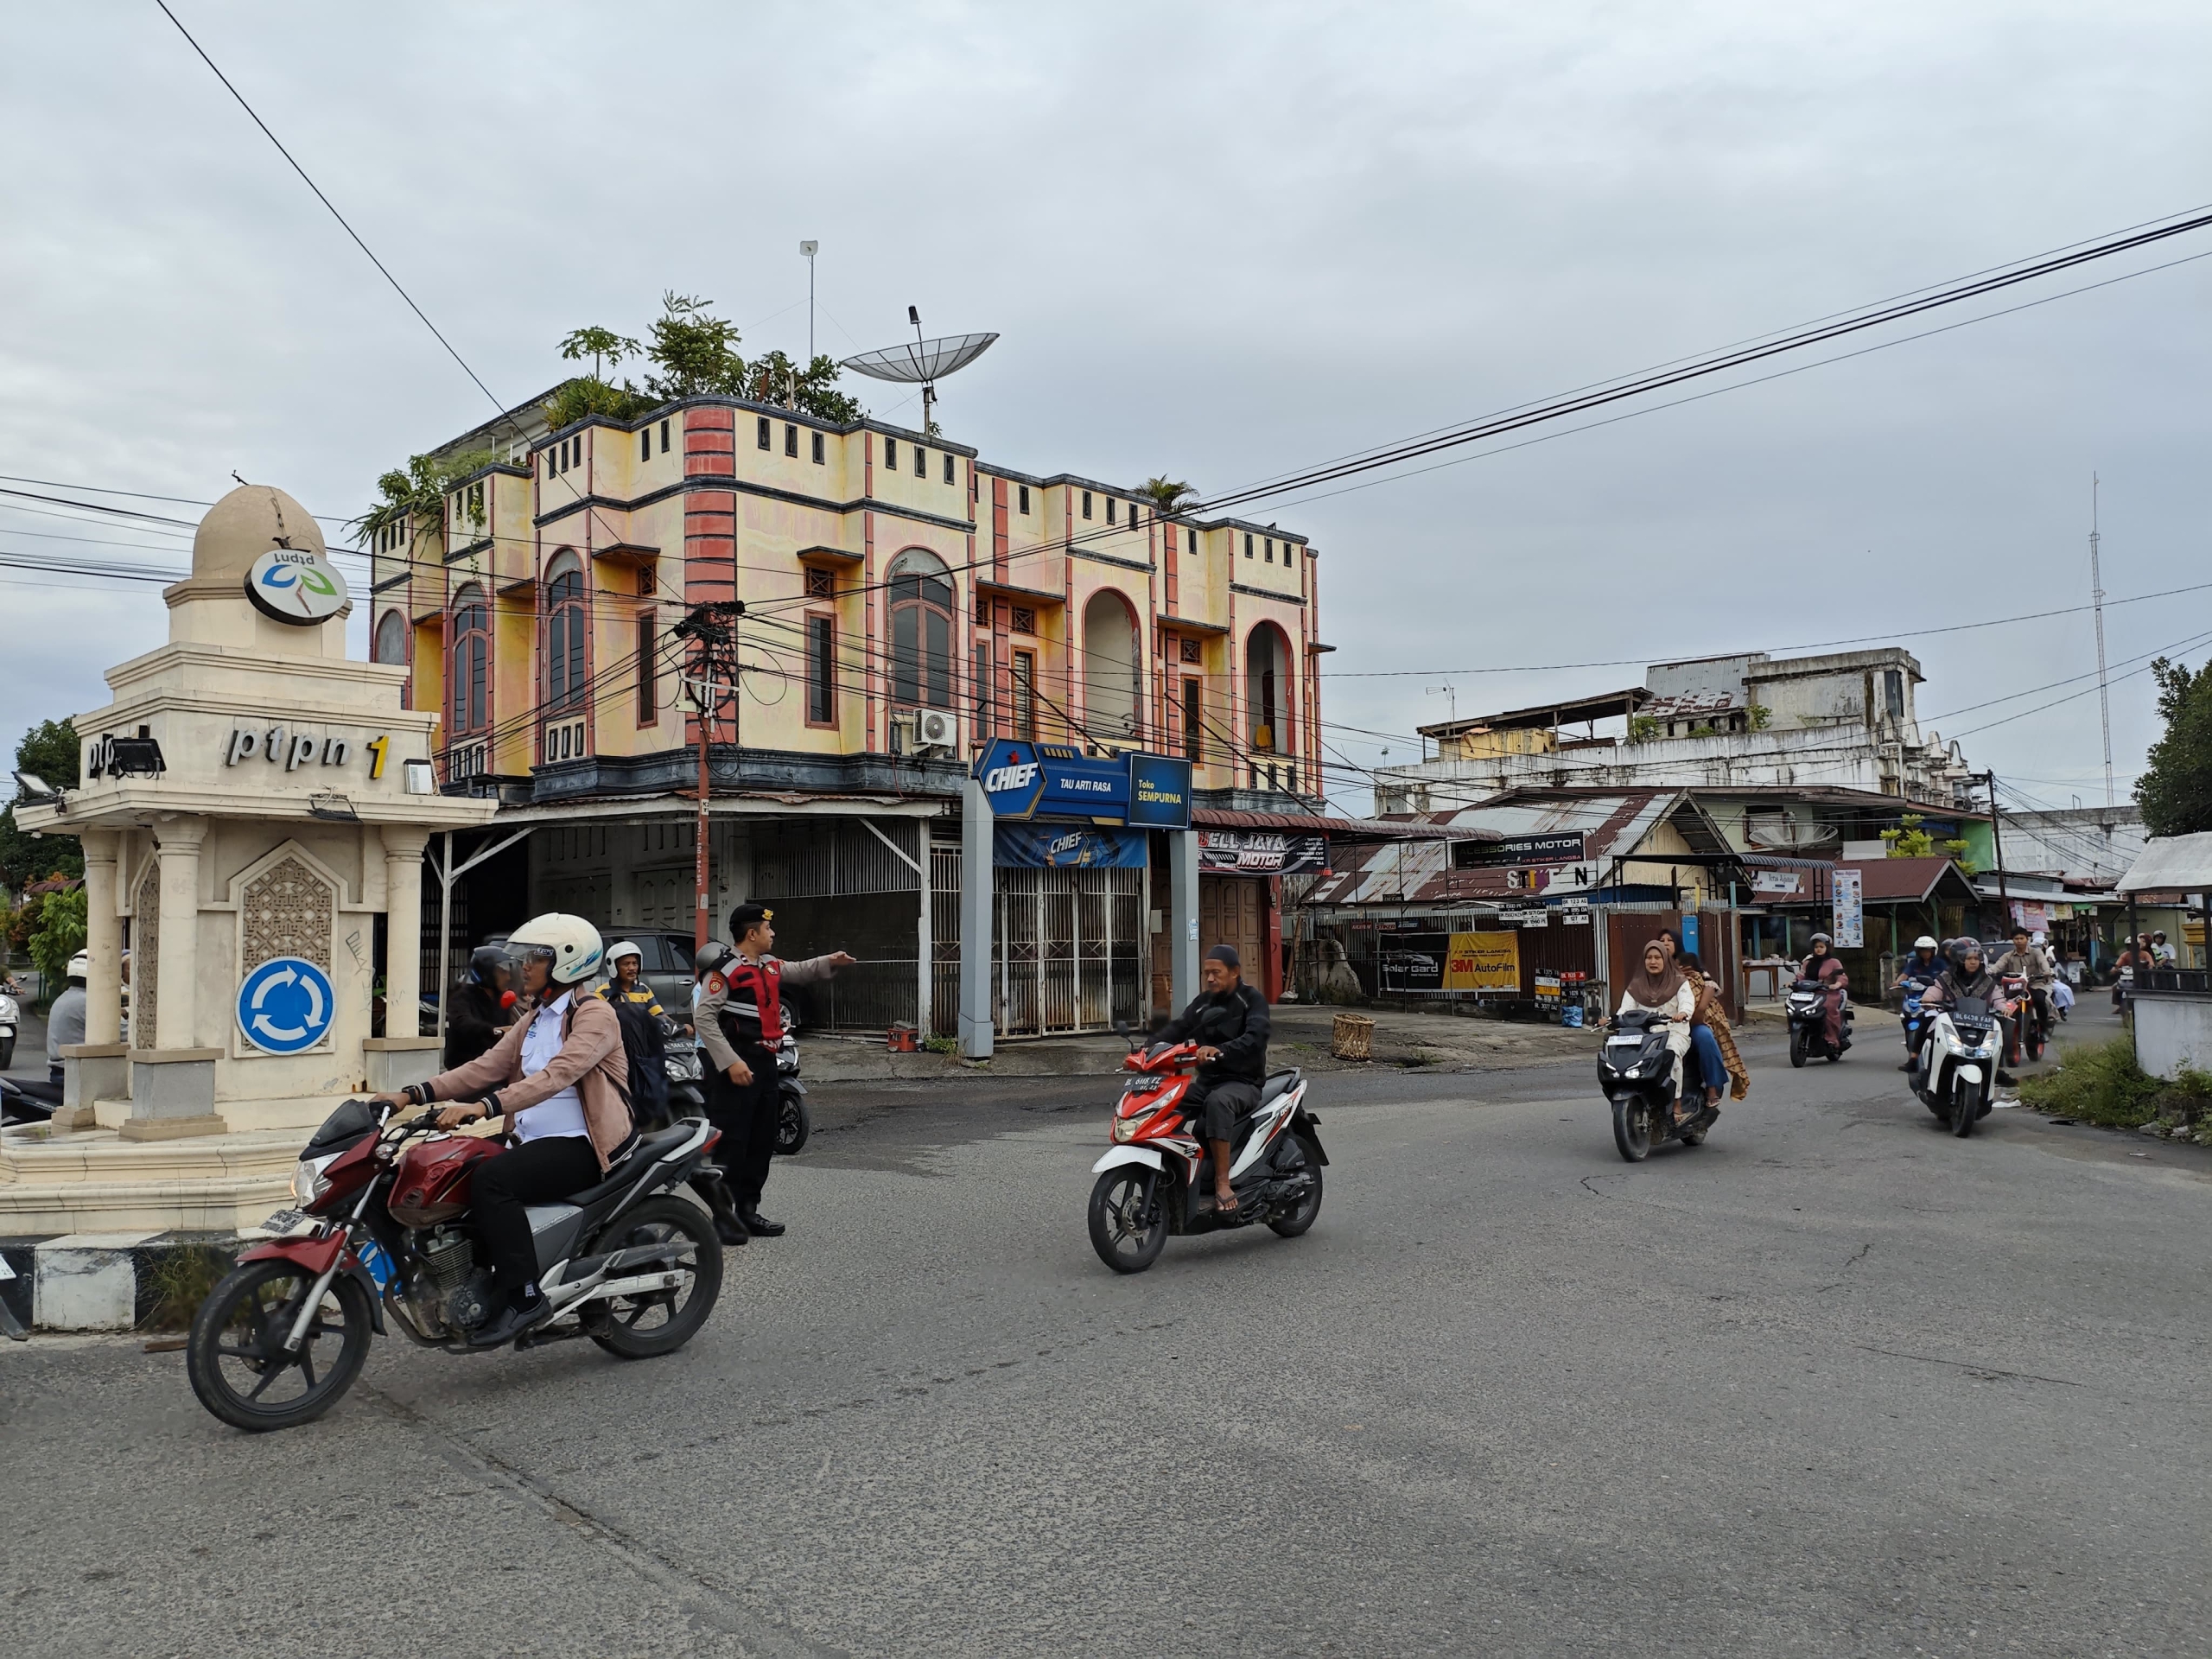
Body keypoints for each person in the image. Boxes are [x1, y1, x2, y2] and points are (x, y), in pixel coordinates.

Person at [370, 913, 633, 1348]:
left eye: (534, 958)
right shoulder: (534, 1017)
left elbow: (557, 1075)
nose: (523, 967)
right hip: (528, 1138)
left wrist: (484, 1106)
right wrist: (411, 1094)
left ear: (566, 962)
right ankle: (462, 1278)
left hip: (584, 1145)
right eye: (523, 958)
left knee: (492, 1182)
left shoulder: (595, 1015)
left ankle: (526, 1296)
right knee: (446, 1169)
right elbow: (486, 1067)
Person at [695, 904, 854, 1240]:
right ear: (752, 933)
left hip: (766, 1065)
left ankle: (749, 1212)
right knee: (732, 1144)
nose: (773, 933)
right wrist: (730, 1062)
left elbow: (800, 969)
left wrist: (830, 960)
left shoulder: (769, 966)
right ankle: (724, 1218)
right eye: (768, 929)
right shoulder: (723, 971)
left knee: (761, 1141)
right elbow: (704, 1019)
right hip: (735, 1066)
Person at [1154, 944, 1272, 1213]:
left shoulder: (1252, 1000)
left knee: (1218, 1102)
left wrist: (1221, 1050)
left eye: (1216, 973)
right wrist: (1145, 1051)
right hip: (1207, 1083)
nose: (1209, 978)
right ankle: (1173, 1170)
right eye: (1206, 973)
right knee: (1167, 1096)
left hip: (1243, 1083)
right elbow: (1178, 1028)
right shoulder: (1204, 1003)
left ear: (1234, 972)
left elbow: (1256, 1038)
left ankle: (1222, 1182)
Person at [1616, 940, 1700, 1125]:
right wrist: (1613, 1019)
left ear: (1665, 960)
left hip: (1674, 1032)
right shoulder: (1636, 986)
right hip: (1645, 1036)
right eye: (1649, 958)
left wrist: (1683, 1013)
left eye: (1657, 957)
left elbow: (1687, 1003)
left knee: (1671, 1054)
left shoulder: (1679, 983)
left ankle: (1677, 1104)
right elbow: (1625, 1010)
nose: (1653, 962)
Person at [1919, 937, 2014, 1088]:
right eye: (1968, 958)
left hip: (1980, 1024)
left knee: (1999, 1034)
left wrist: (2004, 1009)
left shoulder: (1987, 980)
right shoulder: (1946, 978)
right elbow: (1933, 991)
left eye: (1976, 958)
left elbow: (1997, 998)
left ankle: (1998, 1070)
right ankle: (1927, 1070)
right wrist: (1928, 999)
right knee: (1927, 1027)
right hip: (1951, 1022)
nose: (1973, 962)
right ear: (1958, 959)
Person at [595, 941, 671, 1130]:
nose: (631, 968)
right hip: (617, 1055)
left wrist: (679, 1027)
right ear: (614, 966)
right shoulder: (602, 994)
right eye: (626, 964)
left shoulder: (644, 991)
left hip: (643, 1055)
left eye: (635, 963)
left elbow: (659, 1015)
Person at [1675, 950, 1747, 1105]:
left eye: (1669, 940)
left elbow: (1708, 988)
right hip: (1664, 1024)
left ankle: (1712, 1087)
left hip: (1690, 1023)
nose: (1665, 944)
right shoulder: (1654, 975)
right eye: (1662, 941)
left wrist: (1699, 1011)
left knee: (1705, 1037)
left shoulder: (1698, 977)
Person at [442, 944, 516, 1071]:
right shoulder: (462, 996)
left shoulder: (501, 997)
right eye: (502, 971)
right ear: (487, 972)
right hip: (464, 1066)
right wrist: (494, 1031)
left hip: (494, 1065)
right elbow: (462, 1022)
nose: (508, 977)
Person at [1990, 926, 2056, 1052]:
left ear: (2027, 939)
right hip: (2015, 987)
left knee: (2040, 1000)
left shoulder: (2036, 953)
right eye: (2016, 939)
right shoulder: (2007, 956)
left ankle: (2043, 1029)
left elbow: (2043, 963)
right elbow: (1997, 966)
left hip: (2035, 984)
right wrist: (1990, 971)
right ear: (2013, 940)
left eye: (2022, 938)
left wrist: (2047, 971)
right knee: (2002, 1005)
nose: (2019, 941)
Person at [1891, 934, 1945, 1071]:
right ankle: (1913, 1059)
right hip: (1916, 995)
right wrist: (1897, 982)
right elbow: (1905, 974)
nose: (1925, 953)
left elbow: (1946, 978)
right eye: (1922, 950)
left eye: (1927, 950)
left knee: (1932, 1021)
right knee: (1905, 1016)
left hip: (1934, 999)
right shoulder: (1914, 963)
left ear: (1933, 951)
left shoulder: (1940, 963)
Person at [1798, 931, 1849, 1052]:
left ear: (1827, 948)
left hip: (1829, 993)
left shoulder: (1834, 962)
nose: (1818, 950)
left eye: (1821, 947)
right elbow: (1801, 975)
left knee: (1826, 1008)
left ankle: (1832, 1039)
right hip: (1811, 993)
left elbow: (1842, 977)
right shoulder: (1808, 962)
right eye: (1816, 947)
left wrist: (1836, 984)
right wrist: (1792, 983)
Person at [45, 952, 89, 1087]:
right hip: (76, 1074)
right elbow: (123, 1032)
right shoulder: (88, 1002)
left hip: (61, 1071)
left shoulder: (64, 997)